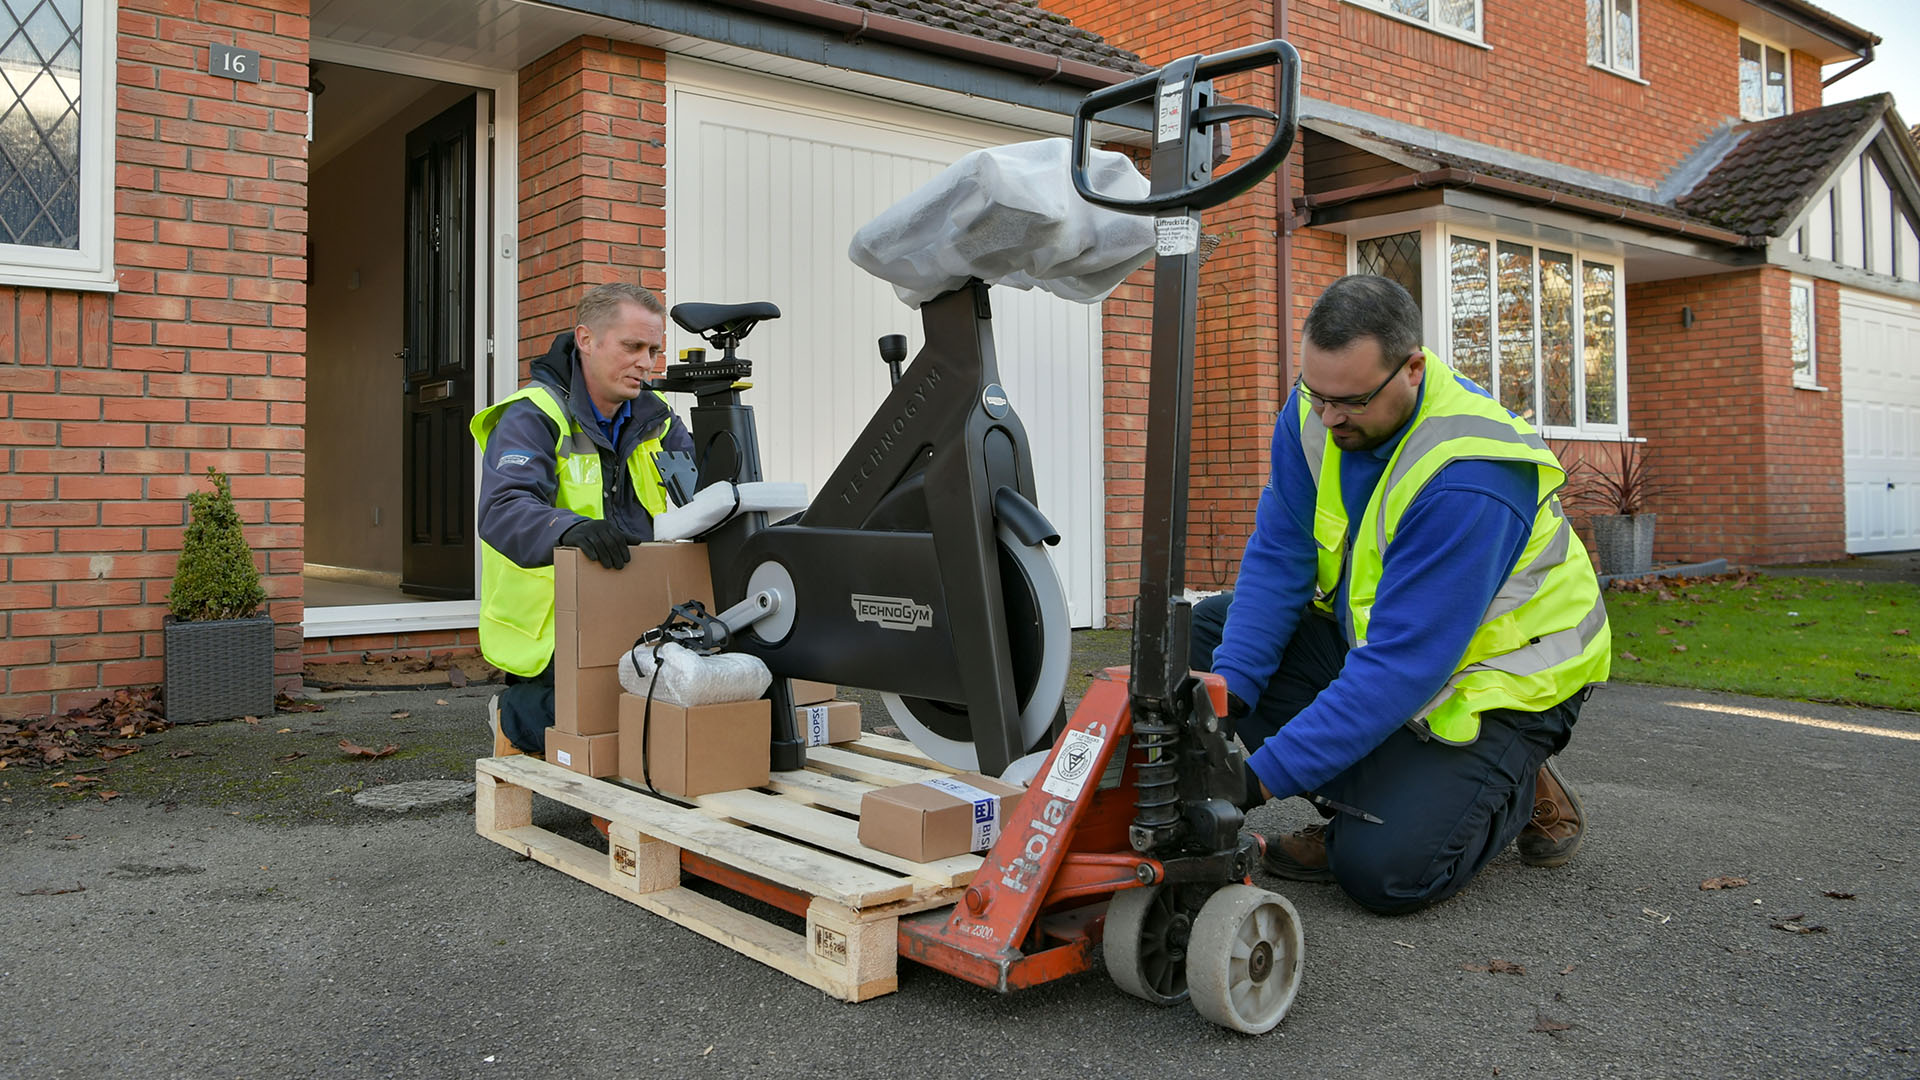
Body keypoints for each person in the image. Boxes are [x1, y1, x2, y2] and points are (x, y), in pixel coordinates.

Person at [1193, 274, 1610, 915]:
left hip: (1500, 687)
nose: (1328, 416)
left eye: (1351, 401)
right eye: (1315, 392)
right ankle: (1398, 796)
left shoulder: (1469, 475)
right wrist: (1228, 702)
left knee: (1382, 872)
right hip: (1386, 647)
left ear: (1412, 369)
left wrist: (1252, 781)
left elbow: (1398, 670)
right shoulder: (1315, 414)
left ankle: (1511, 784)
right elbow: (1280, 557)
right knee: (1215, 636)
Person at [470, 282, 694, 755]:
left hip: (635, 604)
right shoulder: (533, 414)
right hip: (555, 623)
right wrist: (568, 527)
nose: (647, 363)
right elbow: (503, 509)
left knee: (683, 694)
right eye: (632, 346)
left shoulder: (661, 422)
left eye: (653, 350)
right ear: (586, 340)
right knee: (605, 710)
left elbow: (706, 501)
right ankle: (514, 717)